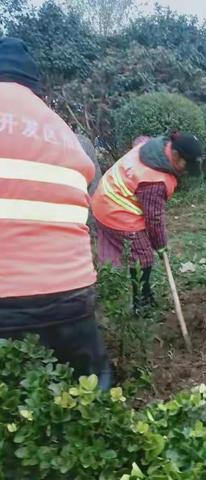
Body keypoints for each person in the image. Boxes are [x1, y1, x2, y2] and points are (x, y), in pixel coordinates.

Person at [0, 37, 111, 388]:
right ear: (35, 87)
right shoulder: (65, 132)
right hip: (73, 294)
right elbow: (87, 213)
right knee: (90, 392)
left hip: (6, 302)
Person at [91, 132, 203, 312]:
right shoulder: (155, 180)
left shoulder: (156, 147)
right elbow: (154, 219)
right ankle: (140, 303)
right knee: (143, 256)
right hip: (115, 208)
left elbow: (139, 140)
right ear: (175, 155)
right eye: (186, 165)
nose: (187, 170)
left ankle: (144, 294)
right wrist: (160, 246)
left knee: (139, 252)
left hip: (105, 196)